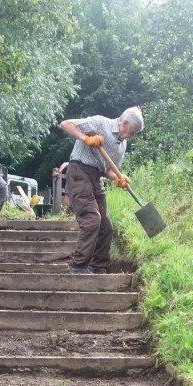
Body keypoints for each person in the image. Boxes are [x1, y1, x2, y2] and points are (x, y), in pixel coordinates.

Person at [58, 107, 144, 274]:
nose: (129, 137)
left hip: (96, 177)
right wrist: (85, 139)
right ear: (123, 122)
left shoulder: (122, 145)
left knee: (106, 226)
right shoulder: (100, 123)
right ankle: (79, 266)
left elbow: (110, 169)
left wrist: (119, 178)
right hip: (79, 171)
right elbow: (65, 124)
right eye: (130, 132)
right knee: (92, 219)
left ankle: (99, 267)